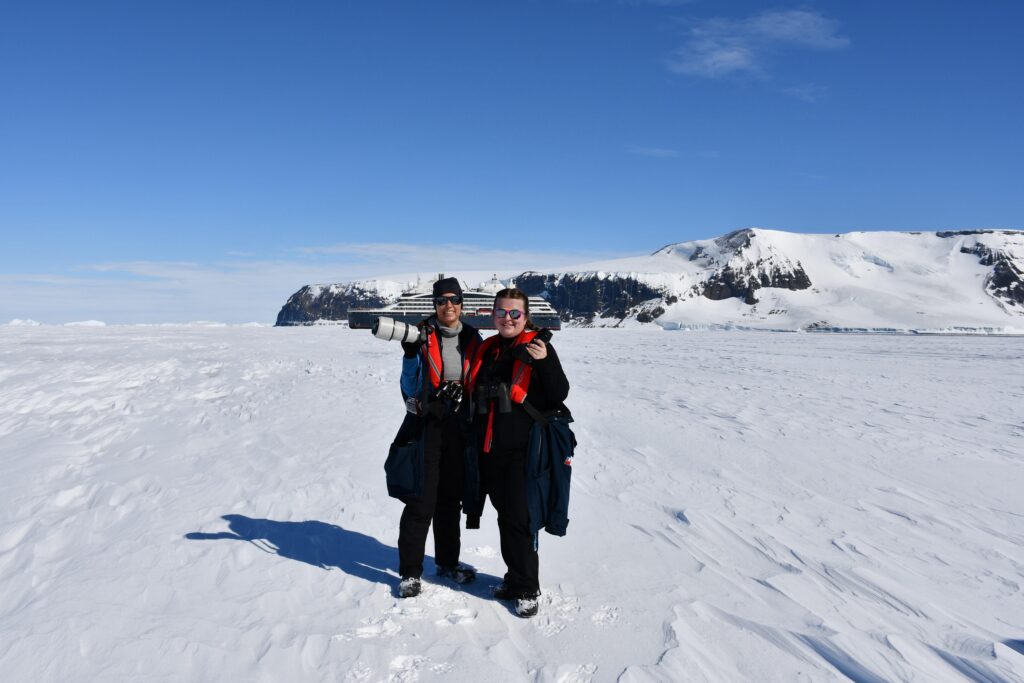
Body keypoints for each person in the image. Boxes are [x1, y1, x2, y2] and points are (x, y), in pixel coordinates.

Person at [464, 288, 570, 618]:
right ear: (492, 315)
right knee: (505, 516)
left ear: (526, 317)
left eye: (515, 314)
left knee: (522, 520)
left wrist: (546, 362)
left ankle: (527, 587)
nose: (507, 319)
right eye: (502, 312)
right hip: (490, 449)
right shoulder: (490, 348)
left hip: (524, 453)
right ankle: (513, 578)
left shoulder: (538, 348)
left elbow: (558, 394)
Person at [395, 277, 481, 598]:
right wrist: (408, 356)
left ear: (462, 303)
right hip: (427, 426)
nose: (449, 306)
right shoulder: (421, 335)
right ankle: (411, 572)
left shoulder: (473, 337)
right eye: (442, 300)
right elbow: (407, 387)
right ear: (434, 304)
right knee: (421, 500)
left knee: (449, 501)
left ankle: (447, 563)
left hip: (459, 430)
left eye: (455, 300)